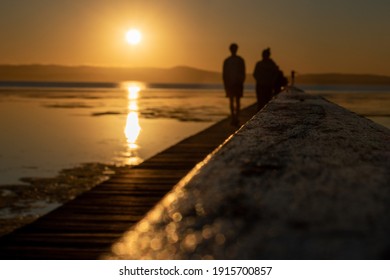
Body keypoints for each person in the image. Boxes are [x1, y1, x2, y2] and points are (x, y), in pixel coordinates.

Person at [223, 43, 246, 126]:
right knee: (232, 101)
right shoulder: (227, 61)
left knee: (237, 101)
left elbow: (243, 72)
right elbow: (224, 74)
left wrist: (241, 81)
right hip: (230, 84)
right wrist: (226, 84)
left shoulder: (240, 60)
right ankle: (233, 117)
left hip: (237, 83)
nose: (233, 50)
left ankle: (236, 117)